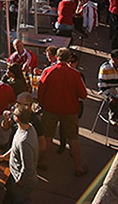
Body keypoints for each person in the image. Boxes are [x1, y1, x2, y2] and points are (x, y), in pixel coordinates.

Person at [37, 48, 88, 176]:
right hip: (70, 111)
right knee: (73, 138)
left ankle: (44, 162)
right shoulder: (75, 74)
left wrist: (43, 104)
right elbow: (83, 94)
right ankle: (78, 166)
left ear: (57, 57)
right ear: (69, 58)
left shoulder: (48, 71)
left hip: (50, 109)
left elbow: (40, 91)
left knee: (48, 137)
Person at [0, 105, 39, 203]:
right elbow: (15, 148)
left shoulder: (25, 141)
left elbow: (28, 167)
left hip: (22, 181)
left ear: (16, 118)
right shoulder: (28, 127)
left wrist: (20, 182)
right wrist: (3, 157)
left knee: (20, 200)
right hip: (15, 177)